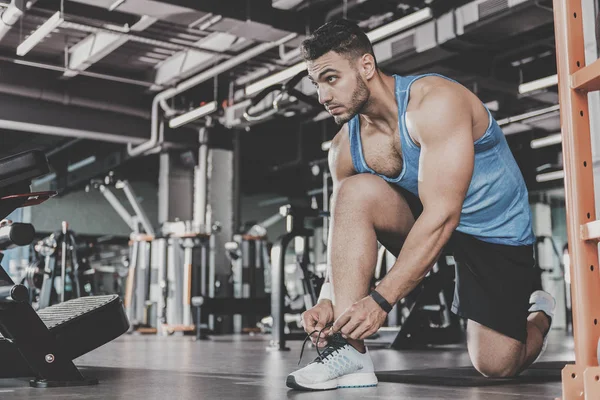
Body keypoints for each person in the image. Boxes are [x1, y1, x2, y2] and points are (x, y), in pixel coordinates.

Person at [285, 19, 556, 391]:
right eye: (317, 84)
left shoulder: (434, 102)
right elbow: (344, 233)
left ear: (366, 66)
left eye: (331, 78)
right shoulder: (343, 149)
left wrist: (381, 299)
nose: (322, 96)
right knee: (354, 192)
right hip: (426, 221)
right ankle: (349, 353)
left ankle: (539, 313)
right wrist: (328, 300)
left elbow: (445, 213)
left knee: (497, 366)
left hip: (493, 230)